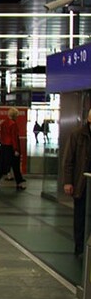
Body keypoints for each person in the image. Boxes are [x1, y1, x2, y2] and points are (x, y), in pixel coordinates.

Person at [62, 109, 91, 260]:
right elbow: (68, 160)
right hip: (82, 183)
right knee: (80, 216)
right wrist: (68, 182)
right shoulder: (77, 135)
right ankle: (80, 248)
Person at [0, 107, 26, 191]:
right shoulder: (13, 124)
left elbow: (2, 135)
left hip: (3, 146)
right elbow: (14, 138)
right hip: (11, 147)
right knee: (15, 166)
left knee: (1, 164)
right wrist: (16, 149)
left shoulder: (3, 123)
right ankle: (19, 183)